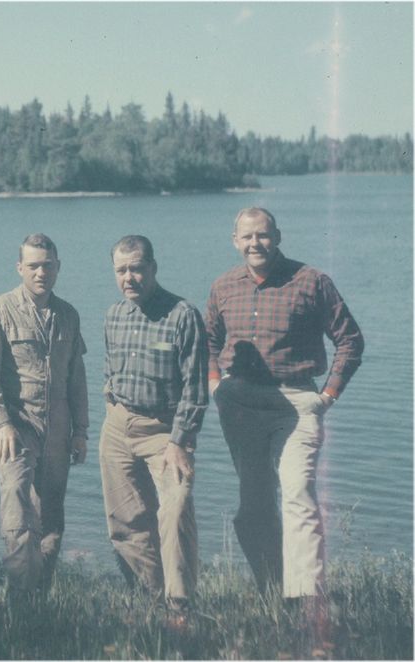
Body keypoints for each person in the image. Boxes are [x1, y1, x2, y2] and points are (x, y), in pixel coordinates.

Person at [205, 207, 364, 601]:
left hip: (296, 402)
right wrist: (214, 386)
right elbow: (207, 341)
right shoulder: (224, 285)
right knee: (254, 505)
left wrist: (327, 396)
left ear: (277, 237)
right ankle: (272, 589)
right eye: (247, 237)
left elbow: (350, 341)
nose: (255, 243)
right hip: (240, 404)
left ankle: (305, 602)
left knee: (298, 494)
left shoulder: (311, 282)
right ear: (235, 241)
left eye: (263, 235)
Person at [0, 233, 89, 594]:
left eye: (47, 265)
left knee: (52, 520)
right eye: (33, 266)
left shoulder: (68, 314)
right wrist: (0, 423)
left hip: (58, 430)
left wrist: (80, 431)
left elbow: (76, 380)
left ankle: (40, 598)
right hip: (16, 430)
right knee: (19, 516)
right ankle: (19, 606)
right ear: (20, 268)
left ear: (58, 268)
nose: (41, 272)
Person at [100, 235, 208, 617]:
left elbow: (196, 391)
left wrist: (180, 441)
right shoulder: (115, 314)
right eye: (121, 270)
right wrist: (113, 407)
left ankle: (179, 606)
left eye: (136, 268)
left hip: (166, 432)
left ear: (153, 268)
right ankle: (148, 600)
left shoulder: (183, 315)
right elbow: (110, 371)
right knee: (127, 520)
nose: (129, 278)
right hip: (118, 426)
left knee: (175, 510)